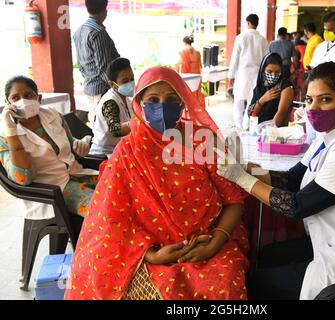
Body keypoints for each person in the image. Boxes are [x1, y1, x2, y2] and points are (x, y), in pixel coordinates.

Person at [216, 62, 335, 300]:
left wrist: (241, 178)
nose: (314, 108)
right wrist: (247, 168)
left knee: (257, 284)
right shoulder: (327, 136)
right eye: (310, 100)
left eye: (325, 100)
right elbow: (290, 179)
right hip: (334, 244)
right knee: (267, 255)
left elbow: (297, 205)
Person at [64, 67, 250, 300]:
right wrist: (152, 255)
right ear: (140, 104)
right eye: (153, 100)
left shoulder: (203, 141)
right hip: (150, 252)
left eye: (171, 99)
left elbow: (234, 201)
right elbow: (111, 218)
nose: (162, 106)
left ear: (182, 103)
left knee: (223, 288)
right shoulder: (127, 152)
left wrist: (215, 242)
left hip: (211, 243)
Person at [0, 76, 99, 220]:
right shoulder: (4, 137)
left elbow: (70, 143)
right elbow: (24, 178)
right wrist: (12, 133)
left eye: (28, 95)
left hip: (77, 174)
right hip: (53, 191)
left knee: (122, 185)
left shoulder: (52, 115)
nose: (23, 101)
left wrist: (80, 145)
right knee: (104, 209)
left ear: (38, 99)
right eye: (15, 98)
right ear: (8, 104)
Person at [74, 0, 120, 127]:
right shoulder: (98, 32)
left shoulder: (79, 31)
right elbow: (104, 67)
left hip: (90, 86)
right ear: (104, 10)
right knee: (103, 126)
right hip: (102, 88)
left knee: (96, 121)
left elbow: (80, 64)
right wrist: (114, 86)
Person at [228, 14, 269, 129]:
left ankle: (238, 124)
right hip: (257, 75)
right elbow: (266, 60)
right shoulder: (263, 40)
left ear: (248, 23)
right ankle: (246, 124)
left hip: (242, 73)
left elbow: (235, 58)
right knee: (252, 100)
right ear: (257, 24)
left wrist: (231, 75)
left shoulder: (240, 37)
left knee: (238, 100)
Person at [90, 57, 134, 156]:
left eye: (132, 79)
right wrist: (137, 123)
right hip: (104, 155)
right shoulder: (110, 102)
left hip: (120, 150)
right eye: (125, 81)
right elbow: (115, 129)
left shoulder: (127, 99)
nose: (130, 83)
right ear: (112, 84)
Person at [246, 53, 294, 127]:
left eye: (277, 72)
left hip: (276, 133)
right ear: (263, 70)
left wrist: (267, 134)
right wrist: (263, 99)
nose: (273, 75)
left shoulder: (285, 86)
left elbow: (281, 113)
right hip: (258, 130)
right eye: (269, 72)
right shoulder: (260, 87)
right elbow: (252, 115)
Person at [175, 35, 205, 107]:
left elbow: (179, 63)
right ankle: (196, 106)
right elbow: (200, 65)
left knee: (186, 92)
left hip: (187, 76)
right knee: (196, 92)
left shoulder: (182, 51)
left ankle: (187, 107)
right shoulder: (197, 52)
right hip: (196, 76)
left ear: (184, 42)